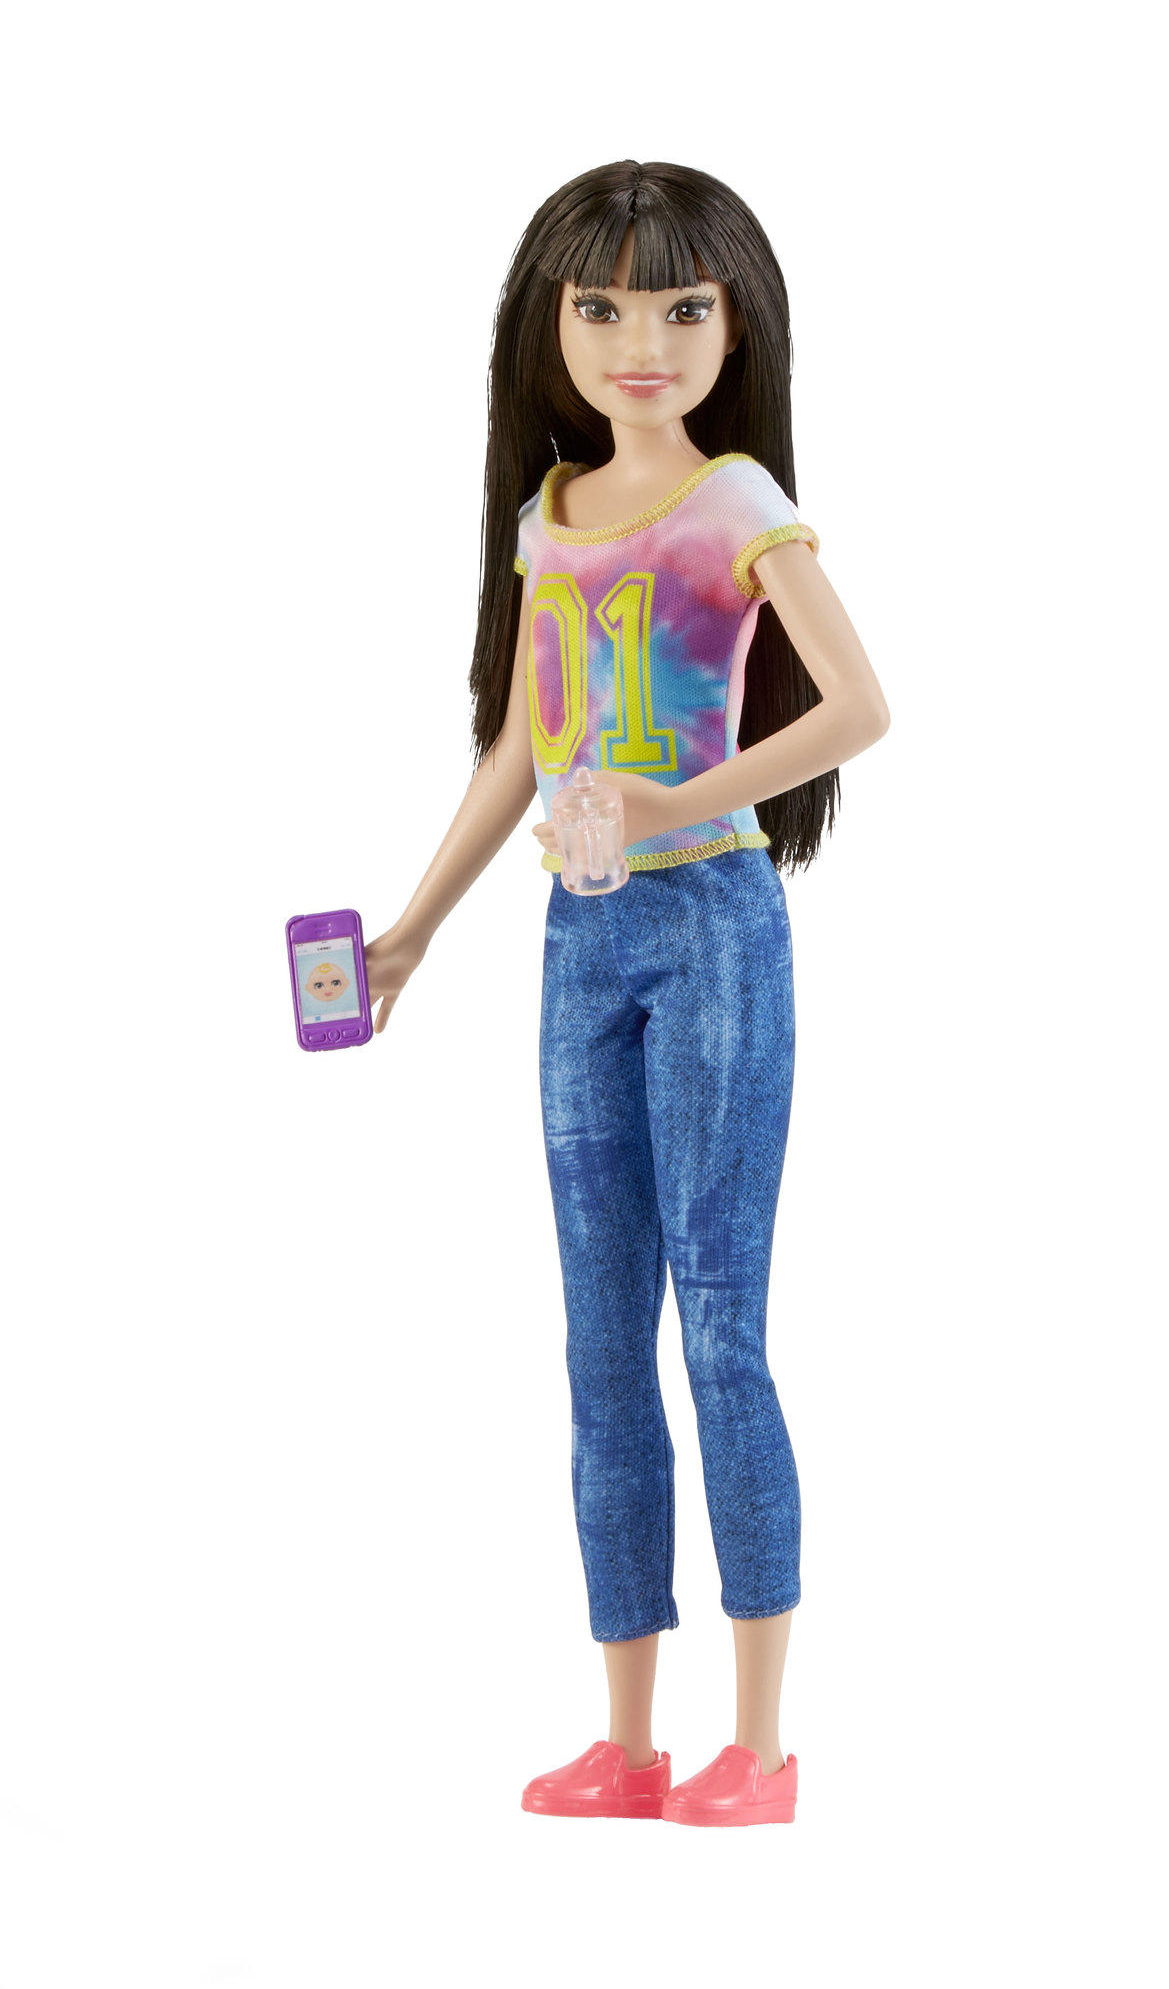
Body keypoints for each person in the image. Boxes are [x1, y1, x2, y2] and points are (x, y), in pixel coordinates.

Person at [362, 159, 890, 1827]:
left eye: (680, 307)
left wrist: (680, 802)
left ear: (735, 326)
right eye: (600, 307)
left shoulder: (736, 502)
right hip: (577, 937)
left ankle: (764, 1745)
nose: (639, 344)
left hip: (713, 919)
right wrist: (413, 927)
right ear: (551, 326)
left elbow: (861, 705)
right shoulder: (549, 516)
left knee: (720, 1326)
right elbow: (524, 745)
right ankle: (631, 1736)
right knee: (603, 1344)